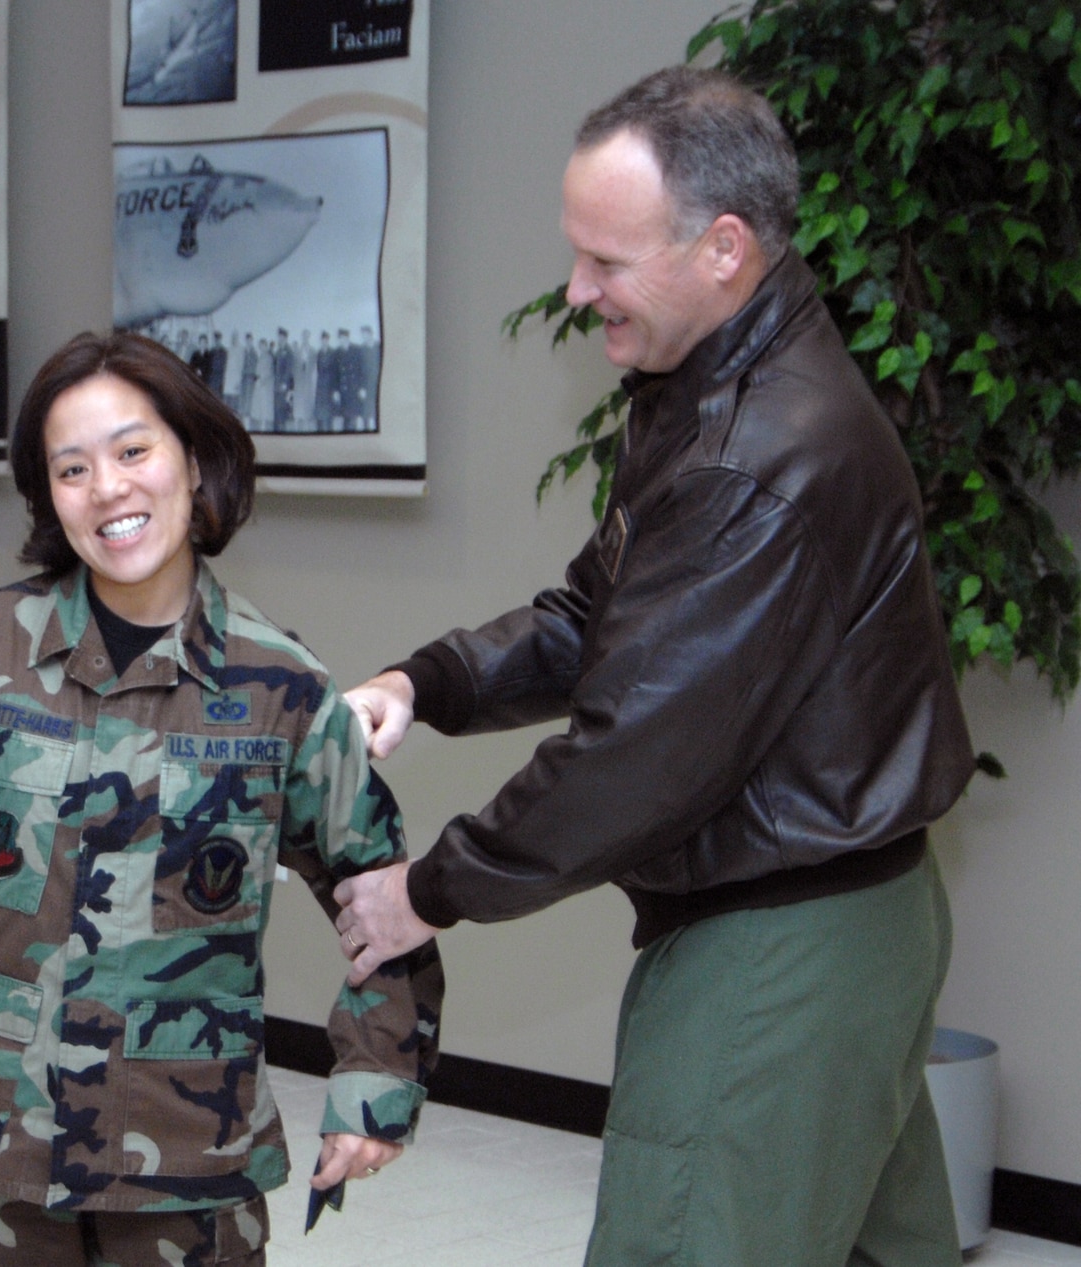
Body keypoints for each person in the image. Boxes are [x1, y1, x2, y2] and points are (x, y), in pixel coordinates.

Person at [333, 67, 972, 1266]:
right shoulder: (701, 396)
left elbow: (633, 755)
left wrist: (425, 890)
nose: (576, 292)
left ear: (723, 247)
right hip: (857, 920)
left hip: (774, 956)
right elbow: (596, 614)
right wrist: (426, 682)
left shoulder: (751, 455)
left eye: (605, 263)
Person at [0, 330, 442, 1266]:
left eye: (132, 451)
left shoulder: (281, 686)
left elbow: (383, 896)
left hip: (190, 1166)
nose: (108, 489)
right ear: (49, 497)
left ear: (193, 462)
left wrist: (376, 1080)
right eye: (71, 468)